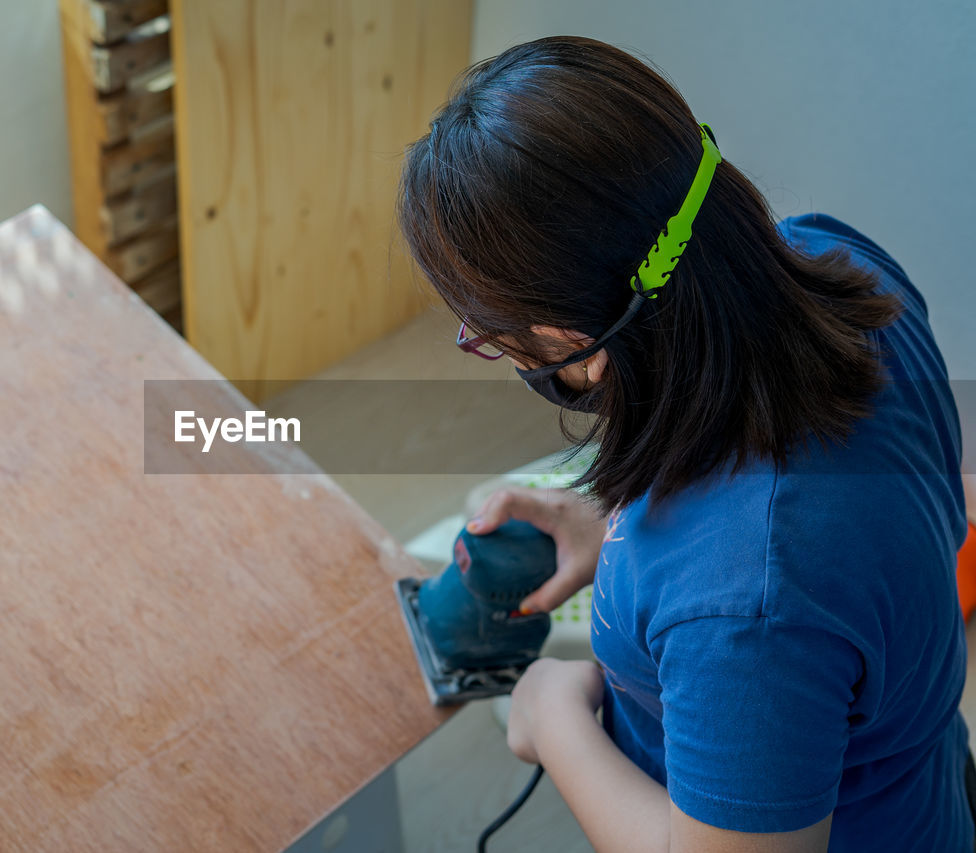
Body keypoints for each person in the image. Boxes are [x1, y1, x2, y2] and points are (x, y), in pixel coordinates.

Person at [397, 36, 970, 853]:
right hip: (925, 787)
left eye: (486, 334)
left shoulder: (748, 603)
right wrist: (619, 531)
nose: (484, 342)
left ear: (575, 342)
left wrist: (554, 719)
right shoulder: (831, 259)